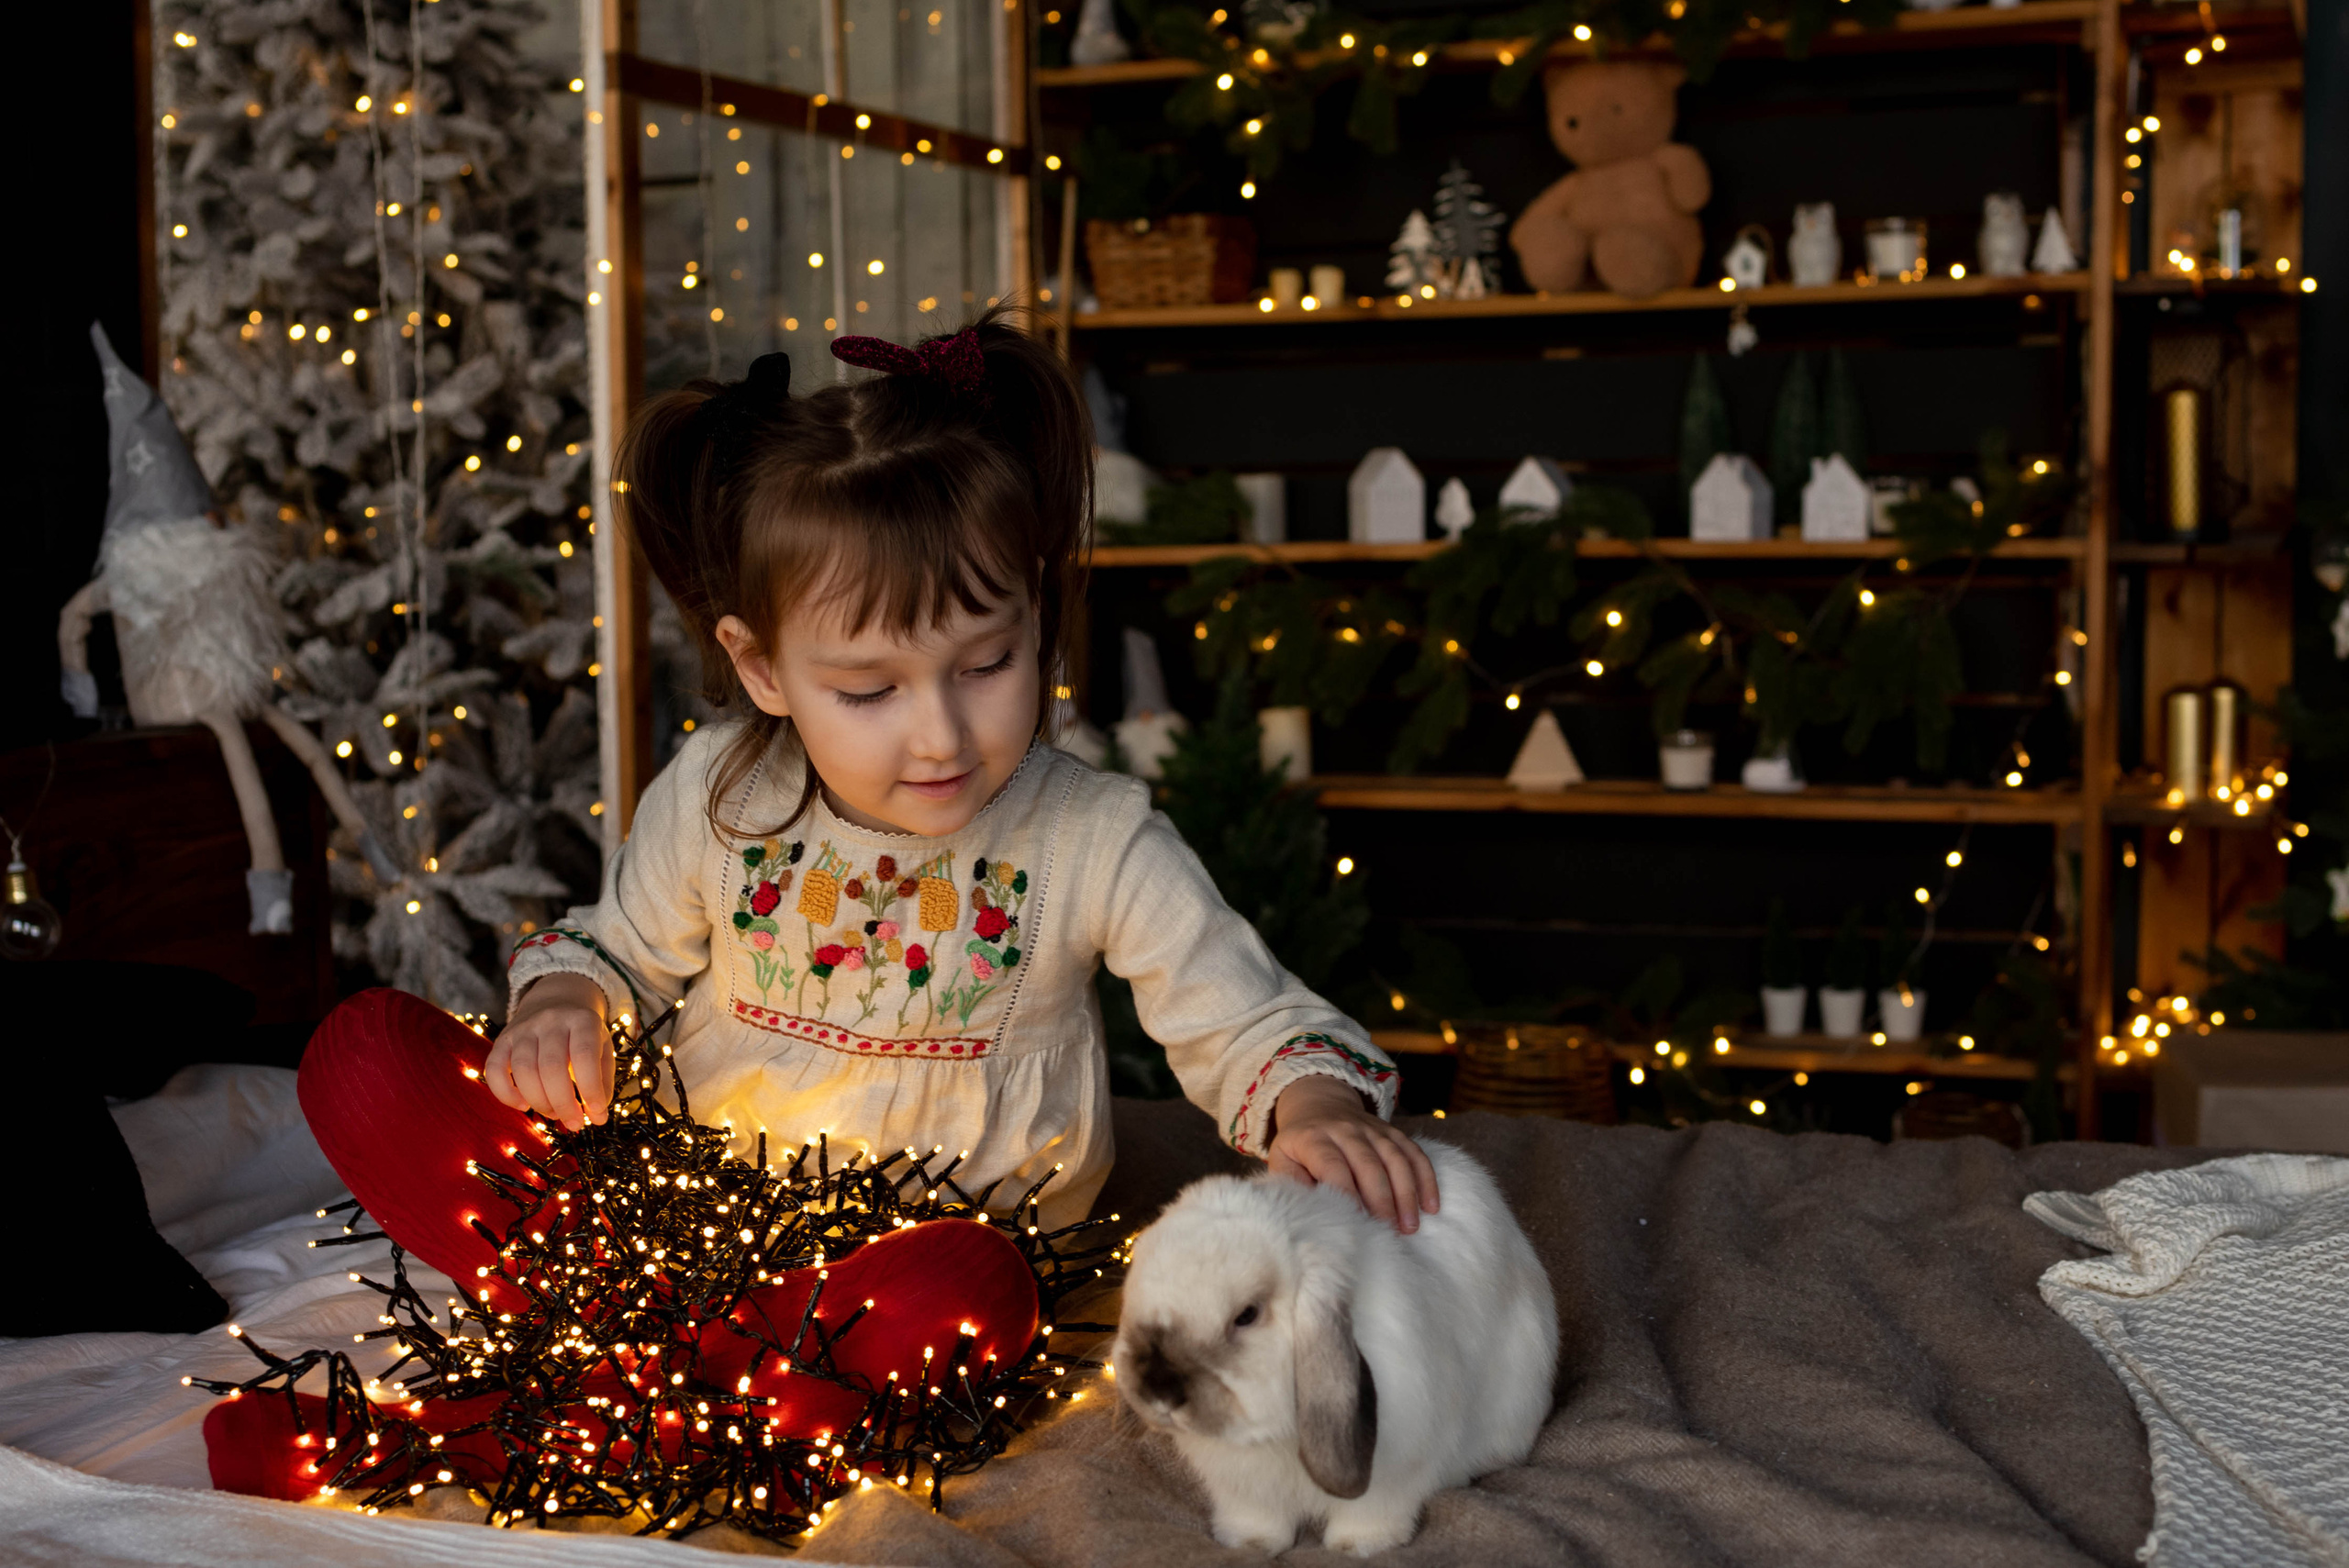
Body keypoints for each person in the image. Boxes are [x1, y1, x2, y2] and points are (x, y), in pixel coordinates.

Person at [491, 312, 1436, 1232]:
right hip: (722, 1227)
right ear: (762, 667)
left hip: (989, 1252)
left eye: (987, 665)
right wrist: (565, 1001)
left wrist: (1317, 1111)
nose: (941, 737)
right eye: (869, 691)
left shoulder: (1091, 837)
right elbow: (617, 956)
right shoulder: (719, 795)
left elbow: (1243, 1018)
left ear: (1034, 611)